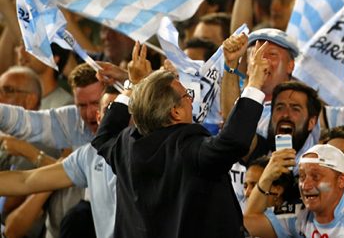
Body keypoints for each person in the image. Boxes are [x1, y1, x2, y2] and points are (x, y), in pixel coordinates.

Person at [92, 40, 271, 237]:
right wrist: (254, 83)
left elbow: (104, 135)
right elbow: (233, 142)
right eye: (187, 96)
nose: (192, 100)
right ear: (175, 112)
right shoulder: (188, 149)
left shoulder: (125, 147)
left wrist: (132, 85)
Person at [0, 88, 121, 238]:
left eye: (124, 110)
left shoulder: (149, 155)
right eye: (111, 110)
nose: (117, 117)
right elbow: (25, 181)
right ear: (99, 117)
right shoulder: (89, 156)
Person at [244, 144, 344, 238]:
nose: (305, 185)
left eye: (315, 176)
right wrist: (266, 179)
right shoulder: (299, 214)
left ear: (340, 181)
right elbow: (248, 224)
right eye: (302, 176)